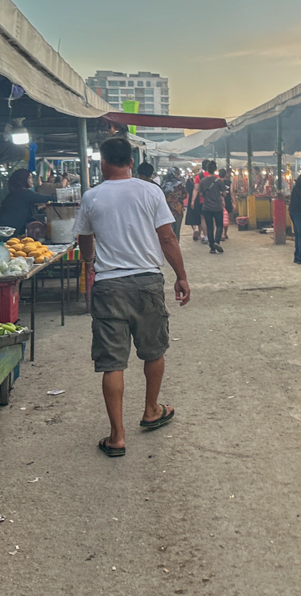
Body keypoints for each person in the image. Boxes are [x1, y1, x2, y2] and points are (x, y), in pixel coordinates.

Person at [73, 137, 190, 458]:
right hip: (148, 282)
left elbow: (85, 241)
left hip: (109, 285)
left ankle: (117, 436)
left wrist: (88, 264)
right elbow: (167, 238)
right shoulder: (150, 191)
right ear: (131, 161)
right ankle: (151, 410)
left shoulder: (91, 197)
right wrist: (181, 276)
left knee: (112, 362)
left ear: (102, 161)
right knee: (153, 351)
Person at [0, 168, 55, 236]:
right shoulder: (23, 193)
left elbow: (23, 212)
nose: (32, 180)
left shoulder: (15, 193)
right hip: (5, 230)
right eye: (30, 178)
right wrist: (62, 196)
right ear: (22, 179)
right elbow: (42, 198)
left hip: (6, 229)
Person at [198, 160, 226, 254]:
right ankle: (217, 242)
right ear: (215, 169)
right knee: (219, 225)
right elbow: (224, 194)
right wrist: (221, 193)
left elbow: (201, 194)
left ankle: (212, 248)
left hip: (206, 207)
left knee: (209, 227)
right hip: (217, 206)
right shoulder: (219, 181)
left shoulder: (202, 181)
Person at [219, 168, 235, 241]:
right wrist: (234, 202)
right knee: (226, 218)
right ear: (225, 175)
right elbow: (231, 192)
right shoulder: (229, 182)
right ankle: (225, 233)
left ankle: (221, 233)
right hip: (227, 201)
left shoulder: (217, 182)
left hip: (219, 202)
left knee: (220, 218)